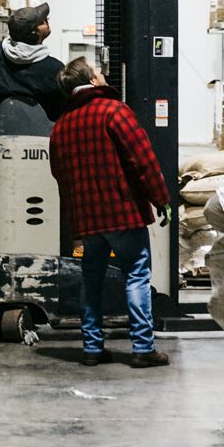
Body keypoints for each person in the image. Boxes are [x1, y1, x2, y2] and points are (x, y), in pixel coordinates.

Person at [47, 57, 171, 368]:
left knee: (91, 279)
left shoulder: (61, 125)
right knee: (137, 275)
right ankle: (142, 347)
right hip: (122, 213)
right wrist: (161, 198)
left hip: (88, 219)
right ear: (91, 81)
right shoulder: (113, 111)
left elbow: (58, 172)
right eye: (99, 72)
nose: (104, 75)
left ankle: (92, 347)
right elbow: (142, 158)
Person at [0, 3, 65, 302]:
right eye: (45, 21)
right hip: (39, 153)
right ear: (36, 32)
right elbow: (61, 108)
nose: (48, 22)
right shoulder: (52, 68)